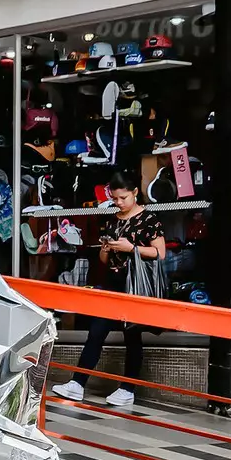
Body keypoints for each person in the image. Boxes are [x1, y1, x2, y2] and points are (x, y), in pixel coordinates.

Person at [51, 173, 165, 409]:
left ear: (135, 192)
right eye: (115, 199)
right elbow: (105, 260)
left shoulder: (149, 219)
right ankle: (78, 383)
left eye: (123, 198)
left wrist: (130, 247)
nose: (119, 203)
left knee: (132, 336)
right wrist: (106, 248)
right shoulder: (113, 220)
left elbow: (160, 254)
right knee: (96, 331)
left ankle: (127, 388)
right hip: (113, 282)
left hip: (135, 285)